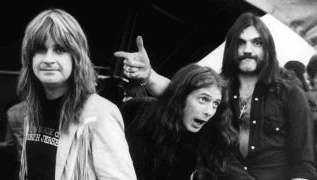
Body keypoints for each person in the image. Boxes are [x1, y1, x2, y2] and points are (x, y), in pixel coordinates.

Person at [114, 12, 317, 180]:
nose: (248, 50)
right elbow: (181, 96)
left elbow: (303, 165)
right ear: (231, 48)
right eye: (241, 43)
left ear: (267, 49)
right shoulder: (220, 90)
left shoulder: (291, 95)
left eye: (256, 43)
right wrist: (148, 76)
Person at [17, 9, 136, 180]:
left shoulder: (100, 114)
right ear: (30, 58)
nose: (48, 59)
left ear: (75, 57)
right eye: (41, 50)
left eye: (59, 50)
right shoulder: (32, 111)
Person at [123, 63, 254, 180]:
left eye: (215, 104)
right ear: (181, 96)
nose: (209, 111)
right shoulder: (139, 112)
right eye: (203, 99)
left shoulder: (207, 144)